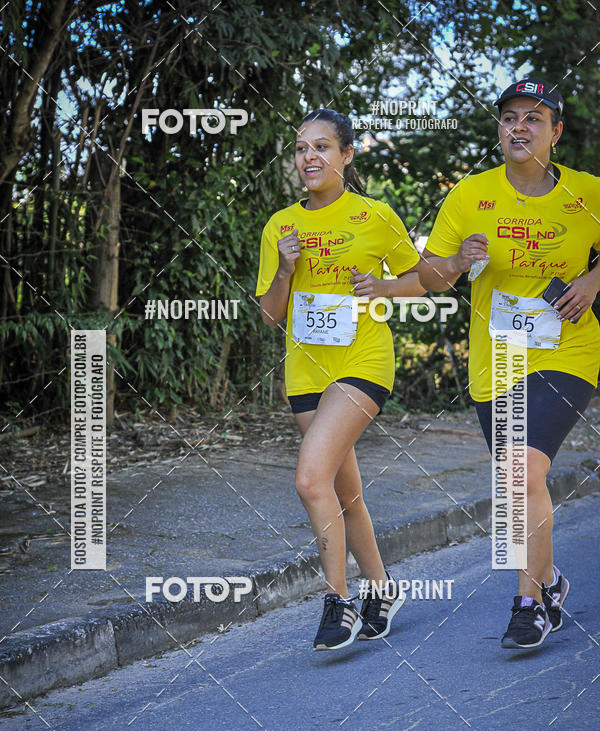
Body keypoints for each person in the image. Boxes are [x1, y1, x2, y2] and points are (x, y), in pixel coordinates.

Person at [419, 77, 600, 649]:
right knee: (515, 483)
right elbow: (426, 277)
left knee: (523, 471)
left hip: (566, 349)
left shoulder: (590, 192)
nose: (518, 126)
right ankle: (549, 582)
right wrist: (454, 260)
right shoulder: (469, 196)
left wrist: (594, 279)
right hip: (496, 358)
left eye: (533, 117)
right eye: (509, 117)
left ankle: (529, 605)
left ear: (556, 132)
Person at [256, 109, 424, 650]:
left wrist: (382, 287)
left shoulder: (375, 215)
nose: (309, 157)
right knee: (344, 491)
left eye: (322, 146)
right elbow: (270, 316)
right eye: (302, 147)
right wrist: (284, 270)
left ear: (347, 155)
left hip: (362, 362)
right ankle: (383, 588)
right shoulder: (280, 225)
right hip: (306, 371)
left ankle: (338, 601)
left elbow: (422, 279)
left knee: (310, 480)